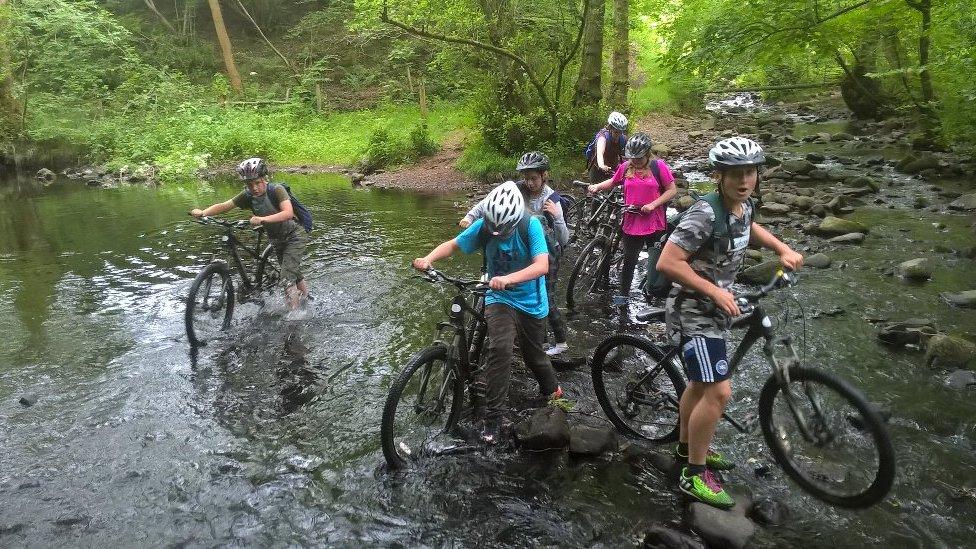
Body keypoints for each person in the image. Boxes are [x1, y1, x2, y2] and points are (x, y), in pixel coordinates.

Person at [656, 137, 804, 509]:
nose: (744, 180)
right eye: (735, 174)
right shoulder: (703, 214)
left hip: (717, 307)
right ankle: (694, 475)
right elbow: (668, 263)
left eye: (750, 172)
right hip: (692, 311)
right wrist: (715, 292)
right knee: (719, 392)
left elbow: (751, 228)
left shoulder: (744, 206)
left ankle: (687, 447)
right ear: (718, 176)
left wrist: (781, 248)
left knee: (699, 384)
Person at [415, 181, 567, 441]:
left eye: (503, 229)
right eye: (494, 229)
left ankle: (553, 391)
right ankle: (493, 420)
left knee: (534, 357)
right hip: (498, 297)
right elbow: (453, 245)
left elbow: (542, 266)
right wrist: (429, 258)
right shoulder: (486, 226)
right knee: (500, 350)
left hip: (531, 300)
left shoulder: (529, 225)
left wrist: (510, 278)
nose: (497, 234)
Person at [460, 151, 571, 356]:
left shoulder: (552, 199)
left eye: (534, 178)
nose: (529, 183)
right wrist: (470, 216)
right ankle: (532, 338)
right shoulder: (517, 189)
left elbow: (565, 239)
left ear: (544, 175)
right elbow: (487, 203)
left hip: (548, 252)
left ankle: (561, 341)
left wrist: (557, 218)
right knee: (518, 287)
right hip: (523, 252)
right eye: (526, 178)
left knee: (547, 296)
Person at [190, 158, 310, 311]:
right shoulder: (248, 195)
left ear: (264, 179)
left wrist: (262, 219)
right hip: (276, 238)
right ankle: (307, 298)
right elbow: (225, 206)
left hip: (294, 236)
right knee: (292, 271)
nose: (254, 188)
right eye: (249, 184)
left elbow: (288, 213)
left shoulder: (277, 190)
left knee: (286, 278)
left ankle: (295, 317)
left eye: (257, 183)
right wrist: (203, 212)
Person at [587, 132, 677, 311]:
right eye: (632, 158)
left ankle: (656, 294)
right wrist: (597, 186)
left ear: (648, 154)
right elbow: (613, 182)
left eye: (639, 158)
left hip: (654, 221)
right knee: (629, 259)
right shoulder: (626, 167)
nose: (635, 161)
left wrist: (652, 205)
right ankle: (624, 296)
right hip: (632, 219)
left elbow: (671, 190)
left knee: (657, 260)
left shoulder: (659, 167)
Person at [587, 111, 629, 184]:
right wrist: (601, 165)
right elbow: (600, 153)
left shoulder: (623, 139)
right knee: (594, 189)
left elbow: (629, 155)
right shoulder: (602, 137)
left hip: (613, 167)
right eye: (616, 132)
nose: (618, 135)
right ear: (610, 128)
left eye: (620, 132)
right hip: (597, 168)